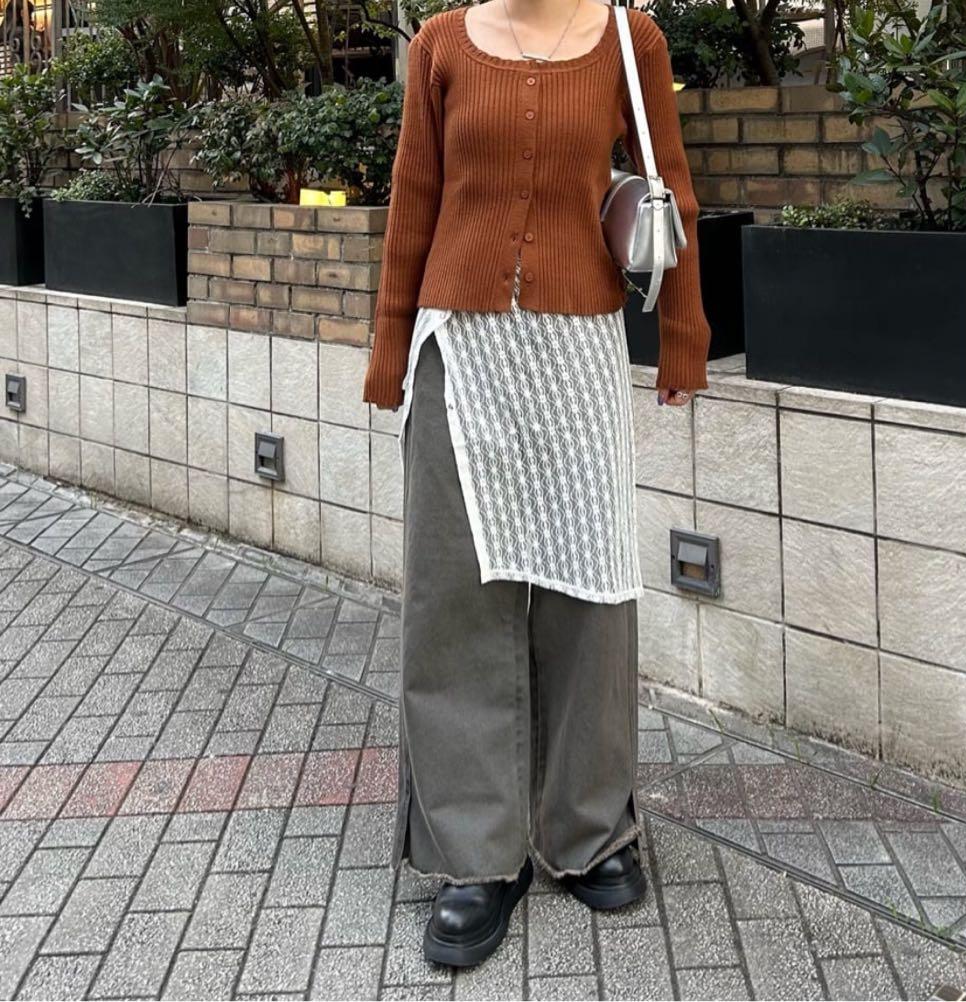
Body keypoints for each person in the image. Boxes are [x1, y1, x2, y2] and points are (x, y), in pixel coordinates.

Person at [362, 0, 711, 968]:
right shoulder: (441, 43)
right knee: (455, 599)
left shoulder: (629, 39)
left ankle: (589, 827)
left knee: (591, 591)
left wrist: (682, 333)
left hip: (577, 355)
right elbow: (414, 197)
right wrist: (389, 349)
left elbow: (670, 189)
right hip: (460, 352)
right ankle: (474, 854)